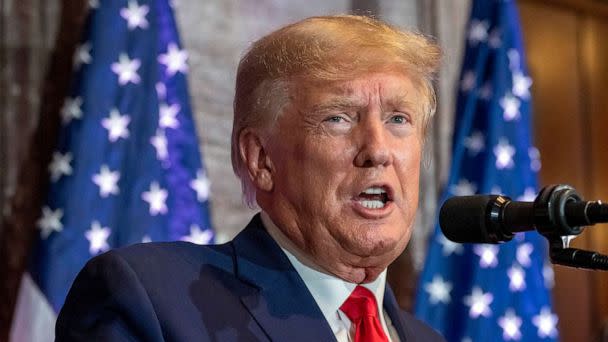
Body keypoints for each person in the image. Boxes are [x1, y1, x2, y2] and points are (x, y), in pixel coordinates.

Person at [56, 15, 444, 341]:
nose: (377, 150)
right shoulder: (151, 300)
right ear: (260, 159)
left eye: (398, 119)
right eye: (338, 118)